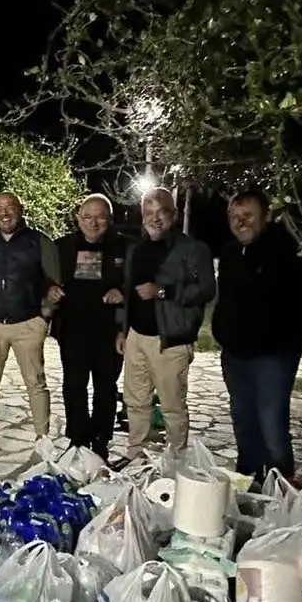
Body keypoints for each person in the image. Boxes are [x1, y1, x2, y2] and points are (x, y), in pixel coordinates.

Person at [214, 189, 302, 482]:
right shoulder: (230, 254)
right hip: (235, 357)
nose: (240, 222)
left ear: (265, 216)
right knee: (244, 424)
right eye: (234, 216)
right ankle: (248, 483)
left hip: (273, 359)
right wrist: (223, 332)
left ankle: (282, 489)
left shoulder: (289, 252)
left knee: (272, 428)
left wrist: (284, 334)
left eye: (248, 215)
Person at [119, 187, 216, 457]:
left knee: (172, 406)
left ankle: (176, 458)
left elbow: (206, 289)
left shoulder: (193, 249)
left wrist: (163, 291)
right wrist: (123, 330)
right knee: (135, 401)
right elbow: (128, 292)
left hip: (171, 340)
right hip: (137, 337)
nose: (155, 218)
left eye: (161, 211)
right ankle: (135, 453)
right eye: (148, 212)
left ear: (173, 215)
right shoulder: (136, 249)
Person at [0, 192, 62, 462]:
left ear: (21, 209)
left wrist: (45, 315)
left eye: (10, 207)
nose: (4, 213)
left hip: (28, 322)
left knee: (36, 383)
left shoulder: (39, 241)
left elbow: (55, 281)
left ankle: (42, 437)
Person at [54, 194, 126, 463]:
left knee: (105, 388)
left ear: (109, 219)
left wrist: (122, 292)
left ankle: (101, 440)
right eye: (88, 217)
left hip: (109, 331)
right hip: (73, 330)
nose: (93, 223)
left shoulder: (125, 248)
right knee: (73, 386)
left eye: (100, 217)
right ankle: (77, 439)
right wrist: (49, 290)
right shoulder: (62, 247)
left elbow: (135, 281)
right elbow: (43, 277)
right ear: (78, 218)